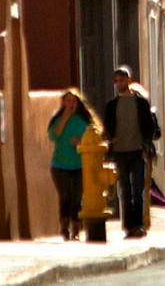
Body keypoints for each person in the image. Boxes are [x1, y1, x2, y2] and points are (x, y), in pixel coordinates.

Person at [100, 66, 159, 239]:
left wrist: (145, 142)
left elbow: (149, 126)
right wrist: (111, 138)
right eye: (117, 81)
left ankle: (138, 225)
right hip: (119, 152)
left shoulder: (140, 103)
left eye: (122, 80)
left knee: (138, 189)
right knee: (124, 190)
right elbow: (107, 126)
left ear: (129, 81)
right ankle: (128, 226)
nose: (120, 83)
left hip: (137, 150)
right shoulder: (111, 105)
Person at [45, 90, 95, 240]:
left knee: (77, 198)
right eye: (67, 101)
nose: (70, 104)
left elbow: (94, 138)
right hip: (60, 166)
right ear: (63, 103)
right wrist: (65, 117)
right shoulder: (58, 119)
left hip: (79, 165)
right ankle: (64, 227)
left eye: (73, 101)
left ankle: (76, 227)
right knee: (65, 196)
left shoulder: (84, 121)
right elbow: (54, 135)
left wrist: (81, 141)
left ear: (78, 103)